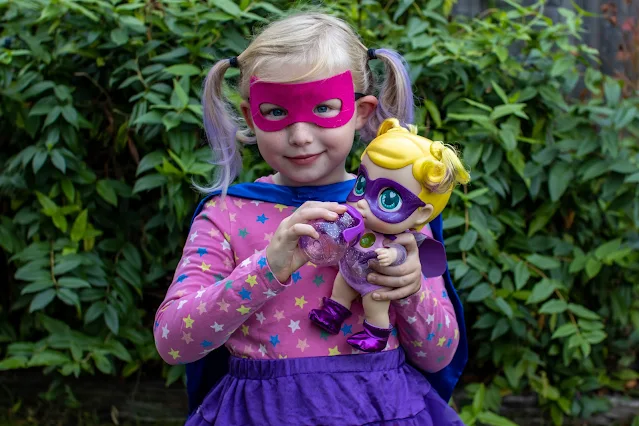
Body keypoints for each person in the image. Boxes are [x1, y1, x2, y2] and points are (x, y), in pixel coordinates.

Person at [154, 11, 468, 426]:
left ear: (361, 112)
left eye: (323, 106)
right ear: (250, 118)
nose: (300, 135)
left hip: (381, 411)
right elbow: (174, 342)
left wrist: (410, 291)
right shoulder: (227, 216)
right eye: (276, 111)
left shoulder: (400, 216)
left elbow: (439, 354)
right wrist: (268, 268)